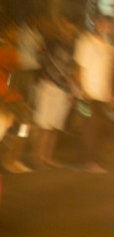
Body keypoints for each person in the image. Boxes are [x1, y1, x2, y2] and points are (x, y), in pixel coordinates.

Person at [72, 13, 114, 173]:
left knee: (97, 128)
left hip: (102, 95)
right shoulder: (86, 42)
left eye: (109, 26)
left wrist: (110, 94)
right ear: (97, 24)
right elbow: (78, 68)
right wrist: (82, 90)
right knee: (89, 128)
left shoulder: (109, 47)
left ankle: (89, 160)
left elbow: (108, 73)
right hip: (87, 93)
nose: (107, 28)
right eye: (104, 24)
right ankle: (88, 162)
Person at [31, 17, 77, 169]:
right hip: (49, 86)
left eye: (71, 30)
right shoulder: (52, 42)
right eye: (66, 28)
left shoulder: (73, 48)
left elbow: (71, 71)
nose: (69, 32)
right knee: (44, 124)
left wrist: (71, 92)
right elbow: (40, 55)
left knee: (55, 126)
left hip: (63, 90)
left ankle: (47, 157)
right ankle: (38, 157)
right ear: (61, 29)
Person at [0, 19, 32, 173]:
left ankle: (12, 158)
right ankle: (9, 159)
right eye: (13, 32)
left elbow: (18, 71)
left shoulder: (12, 50)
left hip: (11, 95)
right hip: (5, 96)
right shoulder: (8, 51)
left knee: (23, 125)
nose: (16, 35)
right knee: (11, 126)